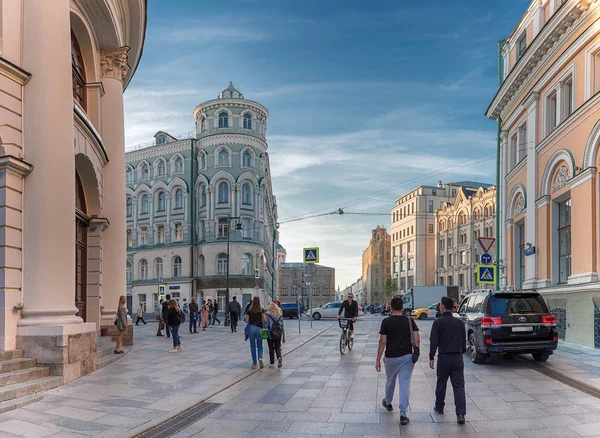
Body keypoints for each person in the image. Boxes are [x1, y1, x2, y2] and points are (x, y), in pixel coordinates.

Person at [376, 296, 420, 426]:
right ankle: (403, 414)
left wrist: (378, 359)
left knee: (390, 380)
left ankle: (388, 402)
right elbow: (416, 339)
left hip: (391, 357)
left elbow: (382, 341)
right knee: (404, 384)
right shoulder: (409, 321)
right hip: (407, 357)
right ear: (402, 308)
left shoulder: (386, 322)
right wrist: (417, 350)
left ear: (390, 308)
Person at [429, 296, 467, 425]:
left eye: (440, 305)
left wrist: (431, 357)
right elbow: (464, 341)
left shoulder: (438, 323)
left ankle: (439, 407)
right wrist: (461, 351)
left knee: (441, 383)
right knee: (459, 386)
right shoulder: (460, 323)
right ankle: (461, 414)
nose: (440, 306)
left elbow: (434, 341)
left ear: (443, 307)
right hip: (457, 357)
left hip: (444, 357)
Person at [245, 296, 266, 369]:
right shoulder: (261, 310)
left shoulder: (250, 310)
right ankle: (260, 358)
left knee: (253, 346)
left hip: (252, 328)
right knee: (260, 345)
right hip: (259, 329)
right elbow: (265, 320)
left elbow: (247, 320)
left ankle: (254, 363)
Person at [266, 302, 285, 368]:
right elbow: (282, 326)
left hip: (271, 334)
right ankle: (279, 357)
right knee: (277, 347)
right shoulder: (279, 315)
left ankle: (272, 363)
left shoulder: (268, 315)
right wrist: (283, 335)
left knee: (271, 348)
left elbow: (267, 325)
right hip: (279, 334)